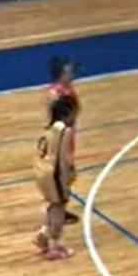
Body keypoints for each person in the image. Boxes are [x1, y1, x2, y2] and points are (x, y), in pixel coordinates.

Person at [33, 96, 76, 260]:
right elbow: (63, 158)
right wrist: (67, 177)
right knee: (59, 207)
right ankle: (55, 246)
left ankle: (43, 236)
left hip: (40, 170)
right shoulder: (65, 130)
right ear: (67, 113)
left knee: (52, 204)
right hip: (53, 173)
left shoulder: (49, 128)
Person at [45, 56, 81, 225]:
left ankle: (59, 208)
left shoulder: (68, 88)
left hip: (69, 136)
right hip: (61, 138)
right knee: (63, 175)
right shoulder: (55, 93)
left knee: (68, 176)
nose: (72, 73)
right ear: (61, 74)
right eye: (68, 71)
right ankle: (55, 211)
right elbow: (55, 116)